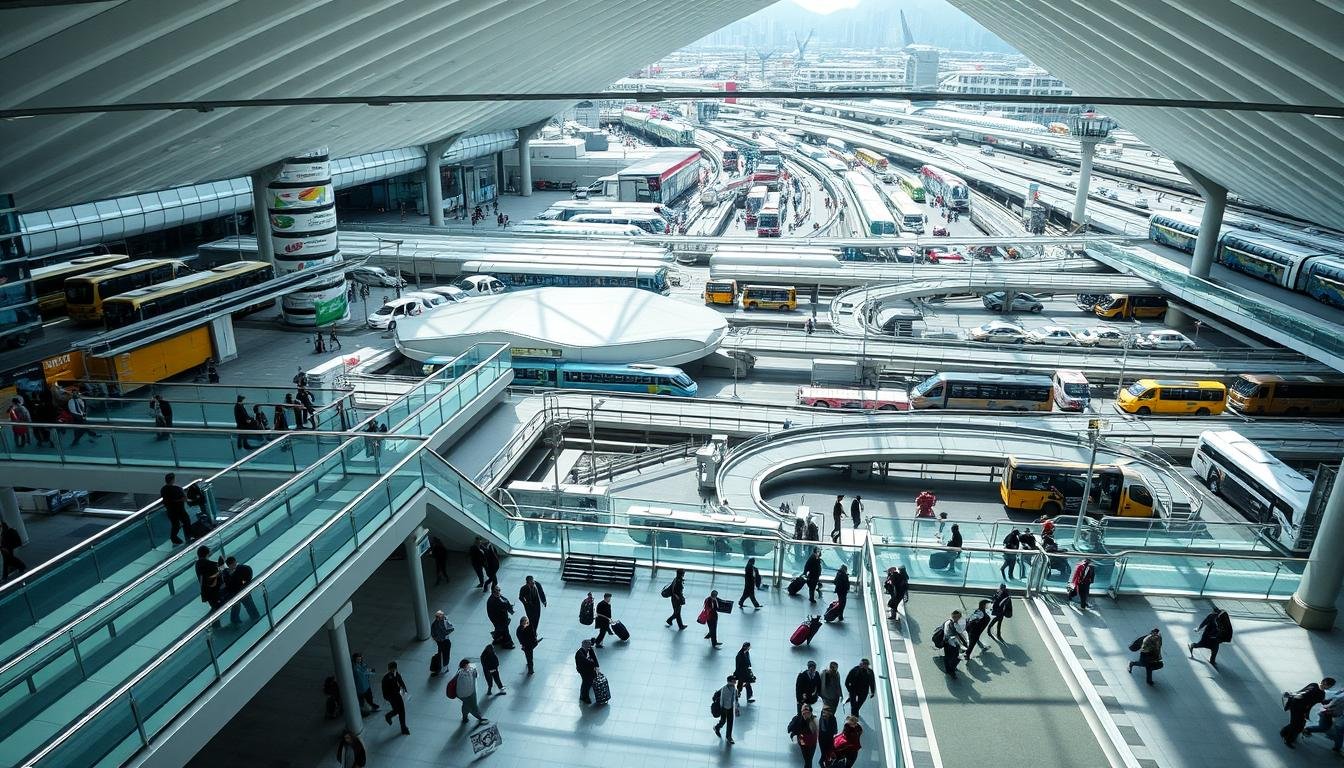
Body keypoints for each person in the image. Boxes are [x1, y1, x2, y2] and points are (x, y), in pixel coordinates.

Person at [1281, 677, 1335, 748]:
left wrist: (1330, 701)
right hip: (1296, 708)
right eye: (1329, 686)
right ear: (1325, 683)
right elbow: (1301, 694)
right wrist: (1294, 696)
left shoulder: (1318, 689)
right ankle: (1288, 739)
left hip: (1302, 709)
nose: (1329, 687)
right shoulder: (1315, 688)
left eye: (1330, 686)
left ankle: (1284, 732)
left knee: (1299, 724)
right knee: (1297, 725)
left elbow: (1319, 701)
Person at [1301, 686, 1344, 751]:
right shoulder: (1340, 697)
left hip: (1332, 714)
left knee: (1336, 731)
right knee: (1328, 729)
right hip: (1328, 713)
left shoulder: (1341, 694)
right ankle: (1307, 729)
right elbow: (1330, 703)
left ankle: (1337, 747)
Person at [160, 473, 194, 546]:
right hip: (180, 509)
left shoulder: (163, 489)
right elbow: (184, 498)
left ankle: (174, 538)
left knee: (176, 525)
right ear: (173, 480)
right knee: (186, 522)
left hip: (170, 510)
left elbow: (167, 500)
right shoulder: (177, 489)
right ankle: (188, 536)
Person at [452, 658, 489, 724]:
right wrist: (472, 673)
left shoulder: (462, 672)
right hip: (468, 693)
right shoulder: (463, 675)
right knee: (473, 706)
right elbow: (468, 683)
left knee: (466, 705)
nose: (469, 666)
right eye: (468, 665)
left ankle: (465, 717)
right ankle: (479, 718)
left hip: (464, 694)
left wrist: (473, 672)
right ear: (464, 666)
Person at [223, 556, 258, 624]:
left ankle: (236, 621)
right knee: (246, 605)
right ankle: (253, 617)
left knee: (243, 605)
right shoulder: (229, 572)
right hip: (238, 591)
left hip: (238, 591)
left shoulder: (229, 572)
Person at [195, 545, 224, 625]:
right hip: (213, 591)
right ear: (207, 553)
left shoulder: (198, 563)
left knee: (215, 607)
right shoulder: (205, 563)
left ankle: (215, 626)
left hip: (206, 591)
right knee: (217, 608)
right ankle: (214, 626)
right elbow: (217, 566)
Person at [381, 661, 410, 734]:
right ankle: (389, 716)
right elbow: (384, 689)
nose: (393, 670)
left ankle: (403, 727)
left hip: (397, 695)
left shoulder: (397, 674)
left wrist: (404, 690)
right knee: (398, 710)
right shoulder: (386, 678)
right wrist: (387, 697)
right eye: (391, 669)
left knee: (401, 711)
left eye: (394, 669)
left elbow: (401, 682)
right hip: (392, 697)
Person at [788, 704, 820, 768]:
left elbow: (817, 729)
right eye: (803, 710)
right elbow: (789, 729)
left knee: (809, 760)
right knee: (808, 760)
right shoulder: (797, 719)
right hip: (803, 742)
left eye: (807, 710)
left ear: (810, 712)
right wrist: (795, 735)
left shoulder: (814, 720)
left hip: (812, 742)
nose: (805, 712)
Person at [941, 610, 967, 679]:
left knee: (948, 656)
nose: (958, 618)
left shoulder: (949, 622)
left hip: (947, 642)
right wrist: (961, 643)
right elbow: (955, 634)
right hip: (951, 643)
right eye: (957, 617)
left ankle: (949, 669)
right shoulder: (952, 624)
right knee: (955, 657)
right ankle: (951, 671)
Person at [713, 675, 740, 743]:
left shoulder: (734, 689)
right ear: (729, 681)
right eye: (734, 681)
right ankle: (717, 727)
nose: (735, 681)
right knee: (723, 721)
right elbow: (716, 697)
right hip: (723, 708)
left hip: (730, 708)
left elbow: (736, 699)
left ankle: (729, 737)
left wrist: (736, 708)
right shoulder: (724, 689)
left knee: (730, 722)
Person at [574, 639, 600, 704]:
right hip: (583, 670)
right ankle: (584, 697)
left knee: (592, 678)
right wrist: (592, 663)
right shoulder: (579, 654)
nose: (590, 647)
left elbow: (593, 657)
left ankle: (590, 684)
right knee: (586, 683)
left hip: (589, 669)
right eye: (589, 645)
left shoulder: (589, 649)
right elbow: (587, 663)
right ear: (584, 645)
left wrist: (596, 666)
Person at [430, 610, 453, 676]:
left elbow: (451, 628)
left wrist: (443, 635)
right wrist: (437, 638)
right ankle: (443, 667)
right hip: (441, 641)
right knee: (443, 654)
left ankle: (444, 667)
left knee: (444, 654)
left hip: (444, 641)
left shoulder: (444, 622)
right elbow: (433, 633)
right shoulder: (435, 624)